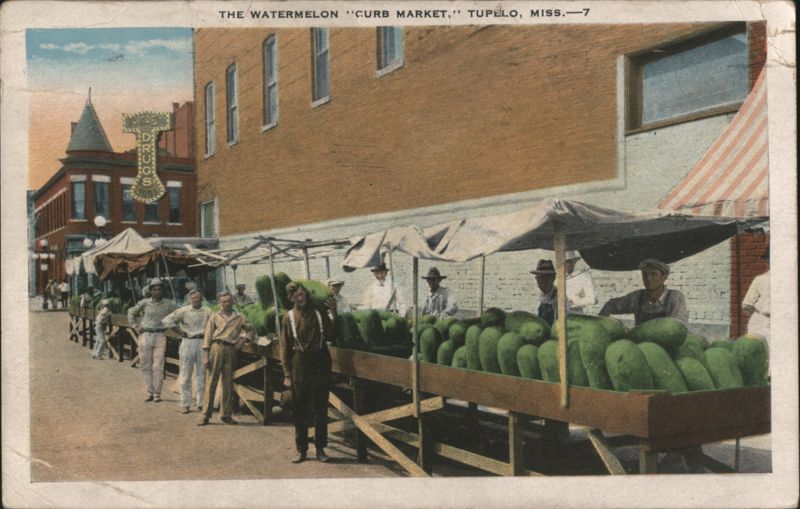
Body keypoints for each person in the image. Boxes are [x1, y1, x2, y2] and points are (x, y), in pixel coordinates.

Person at [280, 282, 336, 463]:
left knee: (321, 410)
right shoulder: (288, 318)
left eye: (302, 295)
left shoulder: (319, 314)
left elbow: (332, 334)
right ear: (291, 298)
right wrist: (287, 374)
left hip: (320, 363)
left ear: (307, 296)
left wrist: (333, 313)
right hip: (299, 365)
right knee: (300, 411)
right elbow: (284, 349)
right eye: (296, 296)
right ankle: (301, 450)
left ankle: (320, 449)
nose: (300, 298)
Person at [197, 291, 253, 426]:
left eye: (228, 301)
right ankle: (205, 415)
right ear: (219, 303)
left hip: (231, 349)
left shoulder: (239, 317)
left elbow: (250, 329)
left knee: (228, 382)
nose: (226, 304)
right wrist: (205, 355)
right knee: (211, 381)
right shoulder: (215, 316)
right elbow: (208, 336)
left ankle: (226, 414)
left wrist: (242, 340)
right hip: (216, 348)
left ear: (232, 301)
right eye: (223, 302)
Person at [127, 278, 178, 403]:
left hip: (160, 335)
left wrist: (178, 327)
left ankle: (157, 394)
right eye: (154, 289)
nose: (157, 292)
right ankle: (149, 392)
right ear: (150, 291)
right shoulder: (144, 303)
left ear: (163, 290)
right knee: (145, 365)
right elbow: (131, 312)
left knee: (158, 366)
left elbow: (178, 313)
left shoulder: (169, 303)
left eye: (159, 289)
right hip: (145, 335)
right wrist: (135, 326)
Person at [162, 289, 211, 414]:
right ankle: (185, 404)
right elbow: (166, 320)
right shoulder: (184, 310)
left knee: (202, 374)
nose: (197, 300)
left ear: (202, 298)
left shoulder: (207, 311)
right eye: (194, 298)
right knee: (185, 374)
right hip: (187, 342)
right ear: (190, 299)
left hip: (202, 343)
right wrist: (178, 331)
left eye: (199, 297)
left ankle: (200, 404)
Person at [599, 259, 688, 325]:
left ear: (664, 277)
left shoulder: (674, 297)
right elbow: (610, 305)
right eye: (645, 274)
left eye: (653, 274)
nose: (648, 278)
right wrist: (600, 325)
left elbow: (678, 327)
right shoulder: (638, 297)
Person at [742, 248, 770, 343]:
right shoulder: (760, 280)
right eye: (770, 258)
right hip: (760, 323)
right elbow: (747, 305)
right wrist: (761, 315)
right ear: (767, 260)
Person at [531, 260, 558, 326]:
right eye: (540, 278)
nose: (543, 282)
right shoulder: (543, 296)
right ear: (536, 279)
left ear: (553, 278)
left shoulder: (559, 298)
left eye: (547, 278)